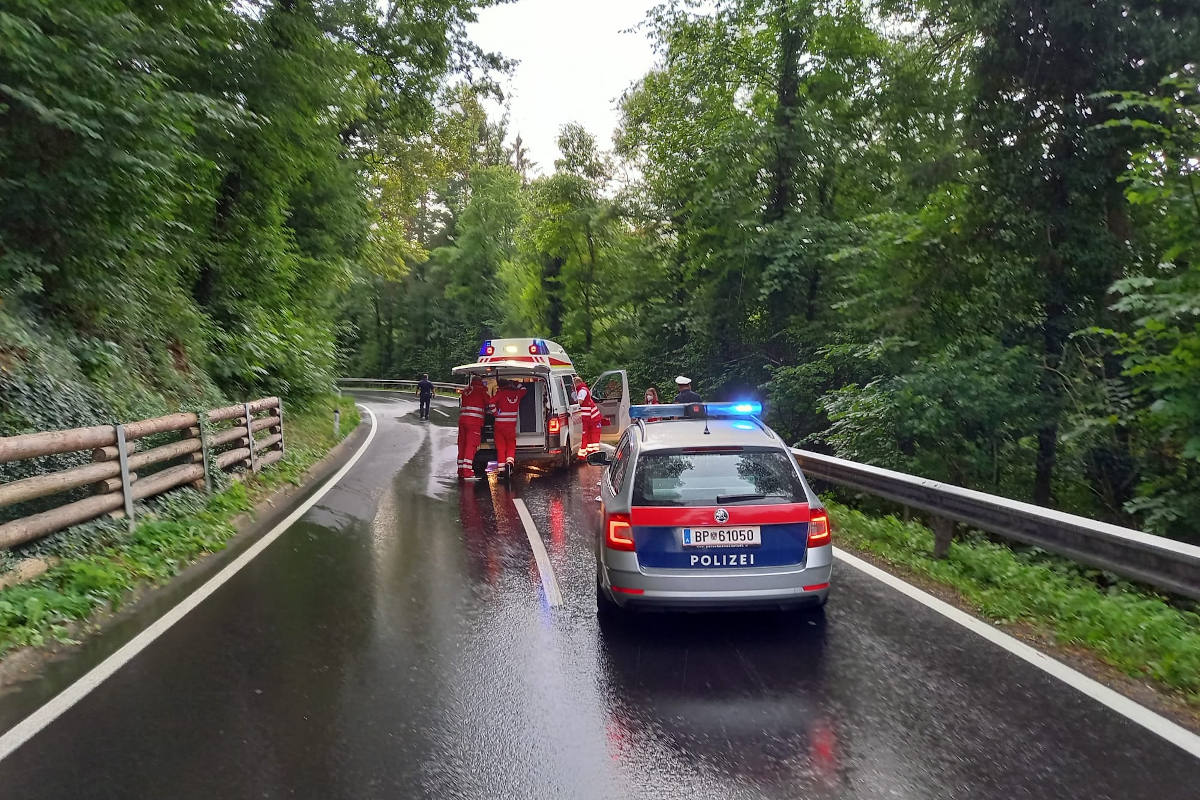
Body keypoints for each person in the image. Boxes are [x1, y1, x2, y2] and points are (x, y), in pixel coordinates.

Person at [490, 378, 527, 480]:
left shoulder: (501, 393)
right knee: (511, 445)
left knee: (501, 447)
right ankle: (509, 462)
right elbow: (524, 390)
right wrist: (517, 383)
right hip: (511, 425)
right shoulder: (517, 394)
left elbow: (491, 402)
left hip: (499, 425)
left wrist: (495, 413)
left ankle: (501, 471)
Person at [456, 375, 490, 480]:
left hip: (463, 421)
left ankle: (461, 470)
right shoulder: (481, 390)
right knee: (471, 445)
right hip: (474, 422)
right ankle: (467, 471)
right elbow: (489, 402)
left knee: (462, 444)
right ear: (480, 382)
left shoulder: (466, 390)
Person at [575, 377, 603, 457]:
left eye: (574, 384)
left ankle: (587, 455)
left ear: (578, 383)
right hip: (591, 418)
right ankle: (590, 454)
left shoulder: (582, 391)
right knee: (590, 437)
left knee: (591, 437)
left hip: (592, 419)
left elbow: (580, 402)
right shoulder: (583, 389)